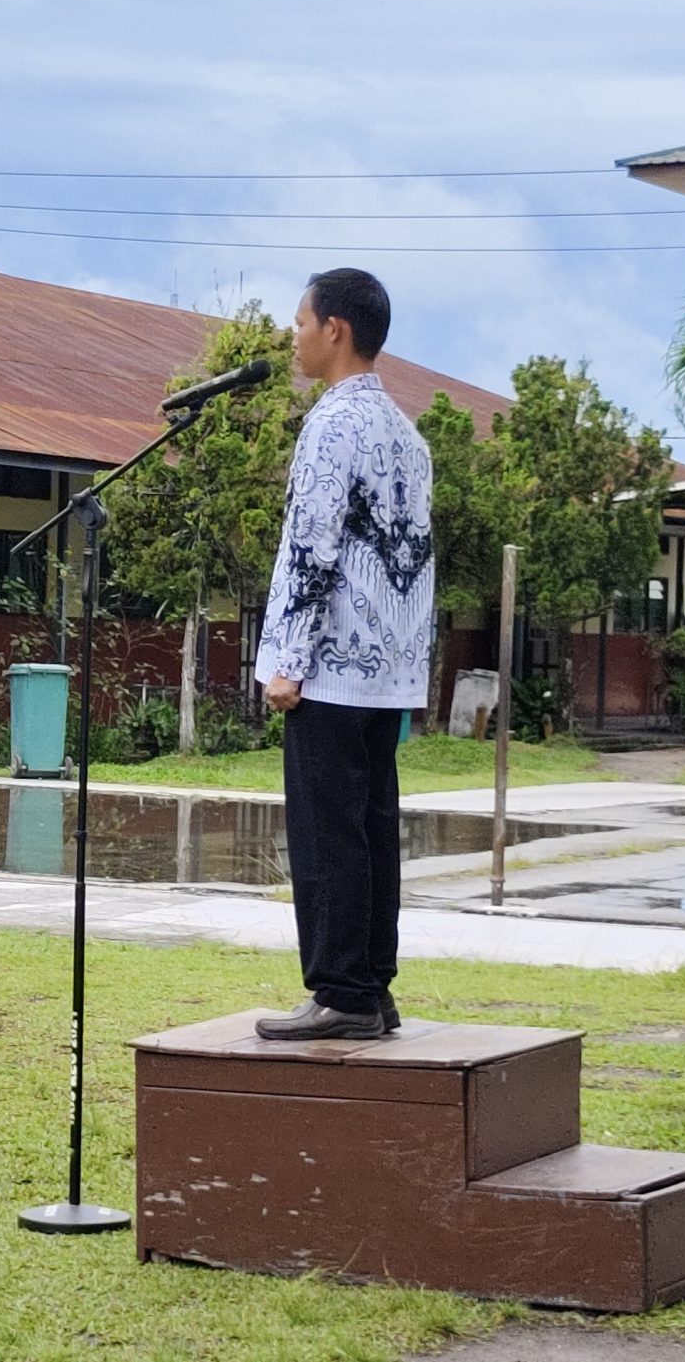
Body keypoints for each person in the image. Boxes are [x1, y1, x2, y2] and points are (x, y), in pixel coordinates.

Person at [251, 269, 436, 1043]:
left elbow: (310, 548)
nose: (293, 336)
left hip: (328, 667)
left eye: (300, 321)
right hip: (388, 672)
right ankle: (374, 983)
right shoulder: (407, 431)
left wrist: (285, 658)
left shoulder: (332, 427)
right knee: (371, 826)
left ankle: (340, 990)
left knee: (328, 832)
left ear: (335, 330)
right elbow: (417, 556)